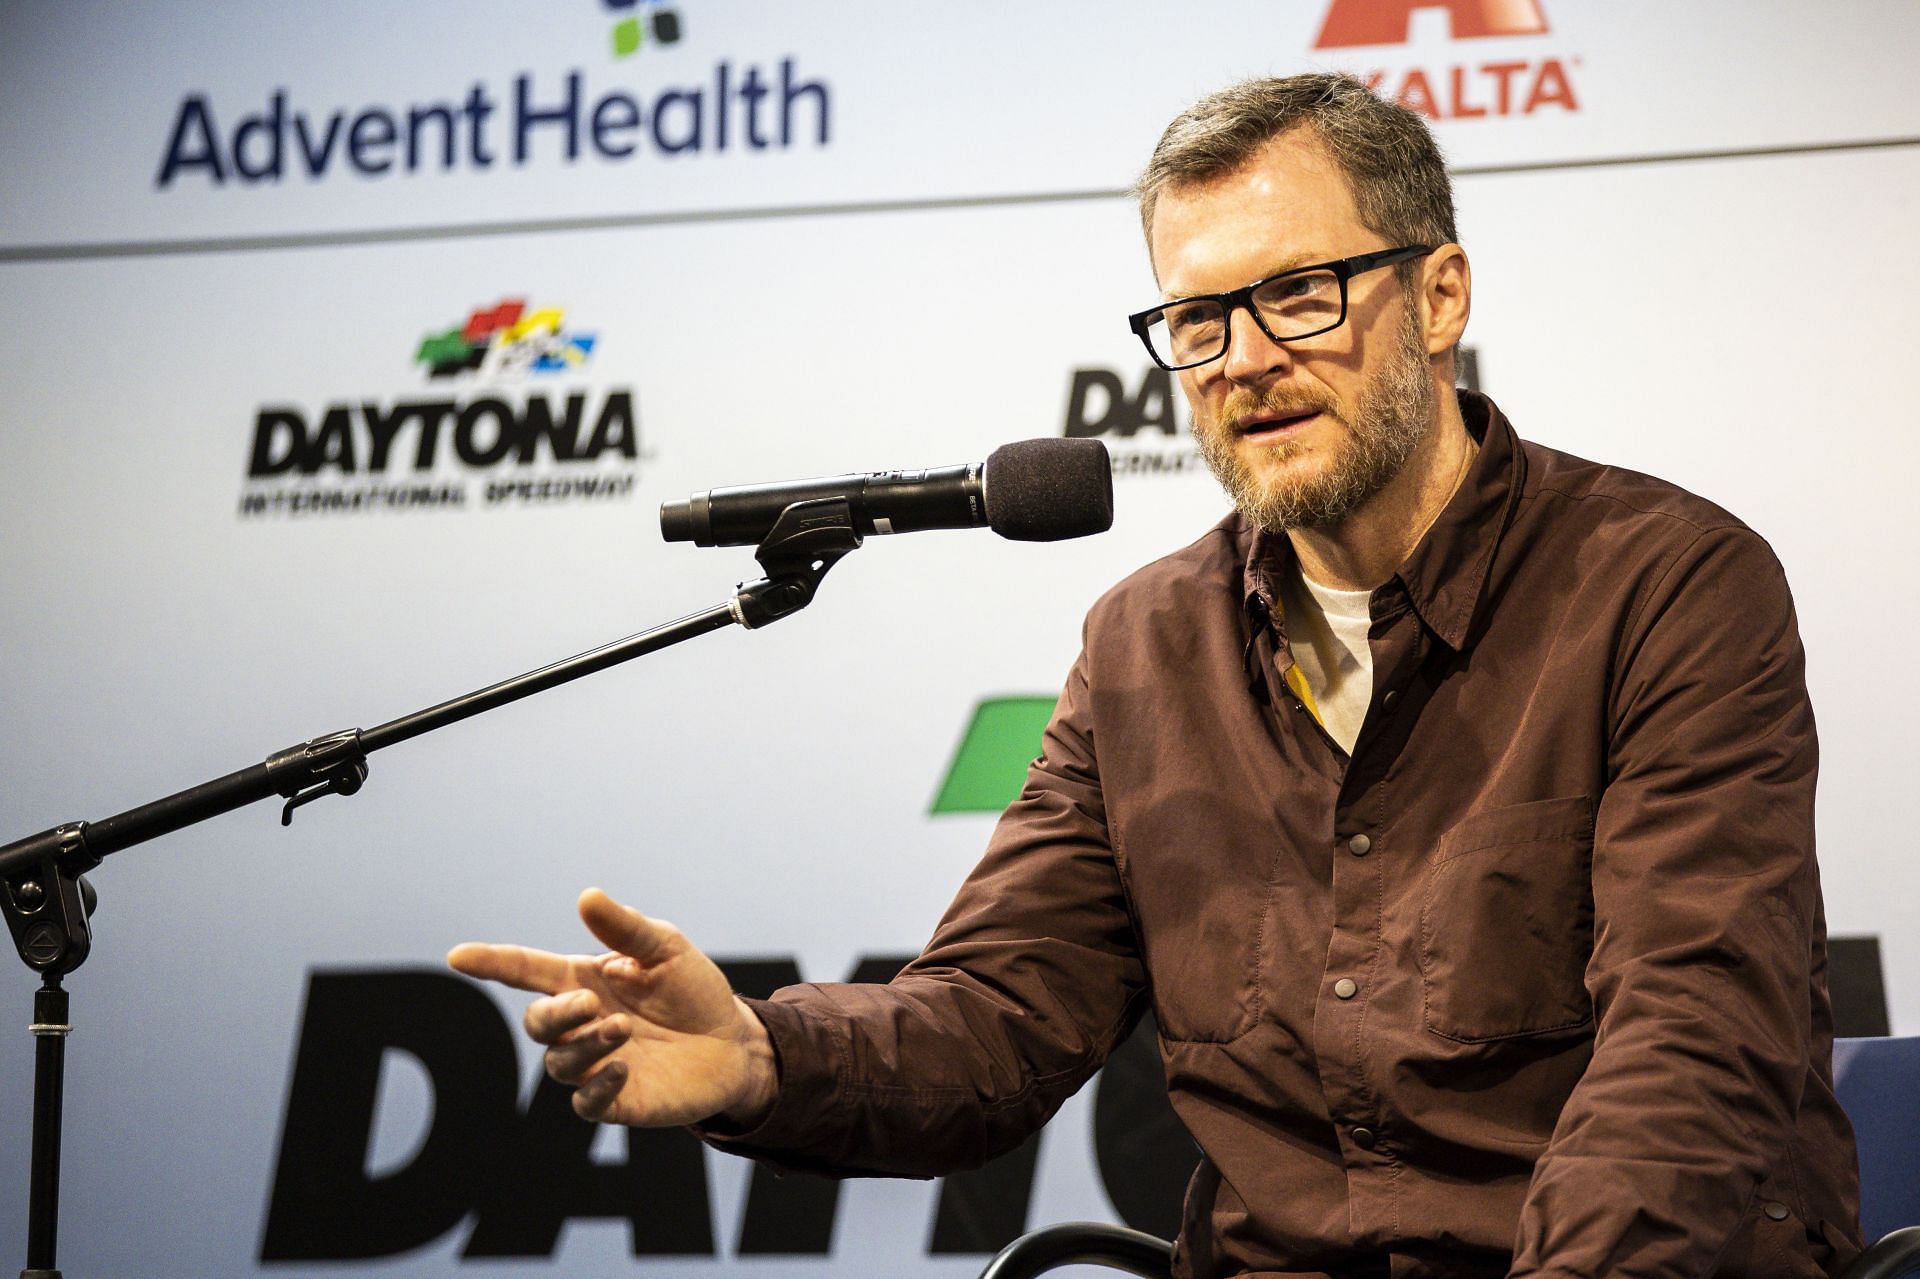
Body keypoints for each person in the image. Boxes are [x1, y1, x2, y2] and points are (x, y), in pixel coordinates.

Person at [449, 74, 1862, 1278]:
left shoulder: (1668, 583)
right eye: (1197, 320)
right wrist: (761, 1056)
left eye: (1300, 294)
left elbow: (1693, 1041)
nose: (1244, 361)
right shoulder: (1145, 645)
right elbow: (997, 1018)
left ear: (1440, 296)